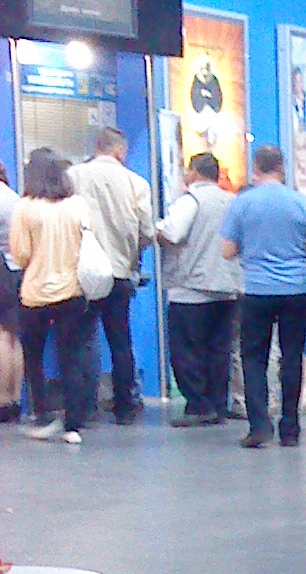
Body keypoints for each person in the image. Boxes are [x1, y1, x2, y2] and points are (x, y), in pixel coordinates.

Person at [220, 144, 306, 450]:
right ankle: (290, 427)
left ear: (256, 167)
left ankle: (259, 425)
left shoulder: (241, 204)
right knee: (291, 357)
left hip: (256, 290)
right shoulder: (302, 204)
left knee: (253, 358)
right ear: (282, 167)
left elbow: (227, 251)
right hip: (295, 290)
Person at [9, 149, 95, 445]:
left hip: (35, 293)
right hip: (72, 292)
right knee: (71, 357)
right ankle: (73, 424)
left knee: (34, 358)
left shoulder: (25, 208)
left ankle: (43, 414)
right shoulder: (78, 204)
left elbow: (20, 254)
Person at [70, 127, 154, 425]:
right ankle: (125, 406)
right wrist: (132, 253)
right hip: (119, 272)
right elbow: (147, 232)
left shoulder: (74, 176)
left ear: (98, 146)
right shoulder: (136, 183)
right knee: (120, 339)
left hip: (83, 273)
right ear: (120, 150)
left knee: (81, 338)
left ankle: (82, 406)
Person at [157, 152, 242, 426]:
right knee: (219, 350)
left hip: (190, 288)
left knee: (187, 351)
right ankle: (218, 404)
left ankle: (197, 404)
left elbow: (173, 233)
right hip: (227, 287)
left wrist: (155, 231)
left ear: (193, 172)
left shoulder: (189, 200)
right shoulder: (232, 202)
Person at [0, 160, 23, 423]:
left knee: (2, 336)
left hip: (1, 271)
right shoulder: (14, 198)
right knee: (14, 336)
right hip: (15, 270)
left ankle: (2, 400)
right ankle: (15, 397)